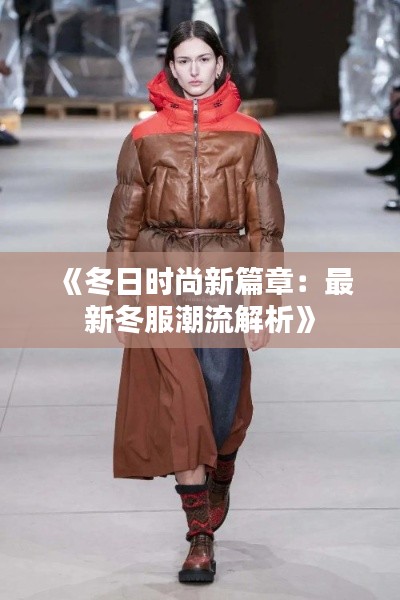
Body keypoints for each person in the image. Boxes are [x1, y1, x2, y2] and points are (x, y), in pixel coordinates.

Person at [106, 20, 284, 584]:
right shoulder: (144, 136)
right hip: (162, 274)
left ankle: (222, 465)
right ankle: (199, 538)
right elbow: (123, 227)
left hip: (226, 275)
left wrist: (266, 298)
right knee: (180, 403)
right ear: (170, 68)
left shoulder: (249, 134)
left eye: (203, 59)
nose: (193, 70)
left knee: (222, 399)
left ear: (220, 63)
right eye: (183, 61)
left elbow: (267, 227)